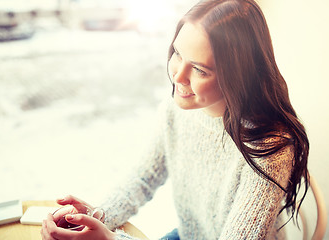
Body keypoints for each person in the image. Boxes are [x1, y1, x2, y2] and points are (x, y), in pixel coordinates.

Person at [41, 0, 309, 239]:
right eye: (178, 54)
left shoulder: (271, 146)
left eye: (200, 69)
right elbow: (144, 178)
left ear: (239, 75)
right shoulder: (177, 108)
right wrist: (94, 217)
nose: (178, 77)